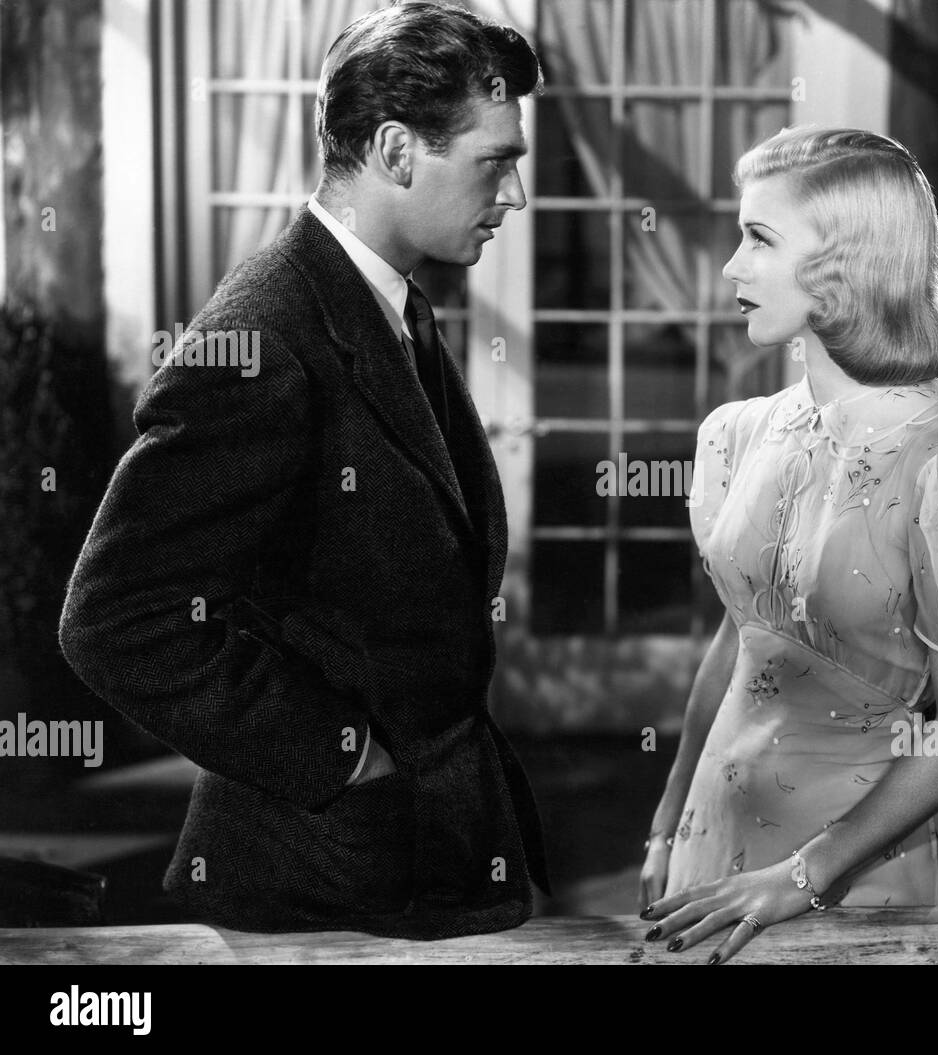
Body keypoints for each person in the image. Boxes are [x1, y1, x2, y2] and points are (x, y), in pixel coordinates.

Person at [58, 1, 549, 939]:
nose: (514, 197)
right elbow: (115, 619)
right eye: (497, 162)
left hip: (419, 858)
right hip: (319, 876)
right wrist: (346, 757)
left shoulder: (387, 300)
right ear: (399, 152)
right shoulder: (265, 334)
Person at [638, 127, 938, 963]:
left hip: (856, 866)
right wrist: (665, 820)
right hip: (711, 848)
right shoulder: (740, 434)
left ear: (843, 265)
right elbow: (737, 641)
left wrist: (803, 874)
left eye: (759, 239)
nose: (731, 268)